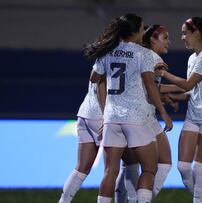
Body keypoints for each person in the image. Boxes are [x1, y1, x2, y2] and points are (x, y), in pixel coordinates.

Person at [86, 13, 173, 203]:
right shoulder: (144, 54)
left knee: (110, 171)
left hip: (112, 117)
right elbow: (150, 86)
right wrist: (164, 113)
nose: (143, 32)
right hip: (135, 117)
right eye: (142, 28)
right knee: (150, 169)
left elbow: (95, 79)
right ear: (134, 32)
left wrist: (104, 111)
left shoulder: (107, 51)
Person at [155, 17, 202, 203]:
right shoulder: (192, 58)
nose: (182, 37)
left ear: (196, 33)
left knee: (198, 167)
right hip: (193, 115)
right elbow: (190, 90)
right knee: (182, 166)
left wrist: (163, 74)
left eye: (184, 33)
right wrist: (167, 95)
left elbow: (188, 84)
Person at [114, 24, 181, 203]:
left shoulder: (136, 54)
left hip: (121, 114)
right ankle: (140, 200)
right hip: (142, 117)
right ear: (153, 39)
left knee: (129, 166)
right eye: (165, 38)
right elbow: (151, 89)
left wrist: (168, 97)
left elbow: (148, 89)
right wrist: (183, 87)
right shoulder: (151, 57)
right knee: (162, 164)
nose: (169, 42)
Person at [58, 73, 106, 203]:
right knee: (117, 168)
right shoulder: (117, 58)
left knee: (81, 168)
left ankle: (64, 201)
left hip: (85, 113)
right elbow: (103, 84)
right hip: (101, 117)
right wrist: (105, 115)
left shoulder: (100, 60)